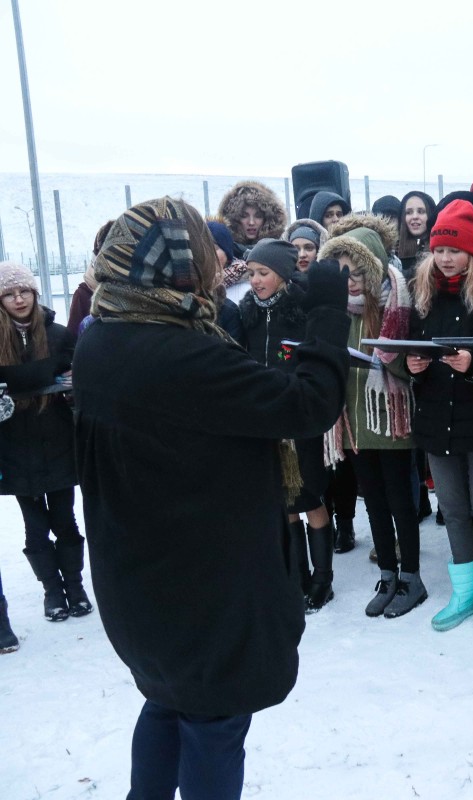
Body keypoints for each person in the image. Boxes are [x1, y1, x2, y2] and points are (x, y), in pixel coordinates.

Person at [73, 197, 350, 799]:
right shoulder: (179, 354)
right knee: (215, 720)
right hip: (201, 587)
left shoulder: (106, 337)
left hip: (142, 579)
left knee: (169, 702)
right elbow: (305, 404)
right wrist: (329, 311)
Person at [405, 200, 473, 633]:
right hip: (436, 418)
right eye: (439, 250)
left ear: (471, 251)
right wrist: (411, 366)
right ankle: (465, 592)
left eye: (453, 250)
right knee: (451, 507)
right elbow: (413, 350)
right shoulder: (424, 296)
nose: (445, 258)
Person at [319, 215, 427, 619]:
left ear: (375, 266)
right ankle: (387, 573)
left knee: (400, 498)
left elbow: (409, 365)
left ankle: (412, 577)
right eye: (343, 270)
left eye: (357, 269)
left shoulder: (396, 304)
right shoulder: (340, 311)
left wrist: (390, 359)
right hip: (356, 421)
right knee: (374, 502)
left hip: (392, 419)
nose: (349, 279)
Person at [239, 238, 339, 612]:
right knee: (284, 501)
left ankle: (322, 579)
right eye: (251, 273)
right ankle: (296, 574)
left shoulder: (301, 308)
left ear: (282, 275)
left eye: (263, 273)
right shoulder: (248, 312)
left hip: (298, 419)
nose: (255, 280)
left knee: (309, 496)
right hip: (266, 420)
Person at [0, 261, 90, 623]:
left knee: (66, 519)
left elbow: (73, 374)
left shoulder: (57, 334)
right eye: (9, 293)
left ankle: (76, 587)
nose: (18, 299)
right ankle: (51, 592)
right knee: (34, 526)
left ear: (35, 293)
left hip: (57, 442)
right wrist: (43, 376)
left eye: (24, 291)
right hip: (15, 448)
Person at [218, 180, 287, 249]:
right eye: (244, 216)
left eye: (258, 216)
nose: (251, 222)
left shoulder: (280, 249)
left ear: (267, 219)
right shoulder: (222, 250)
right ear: (233, 219)